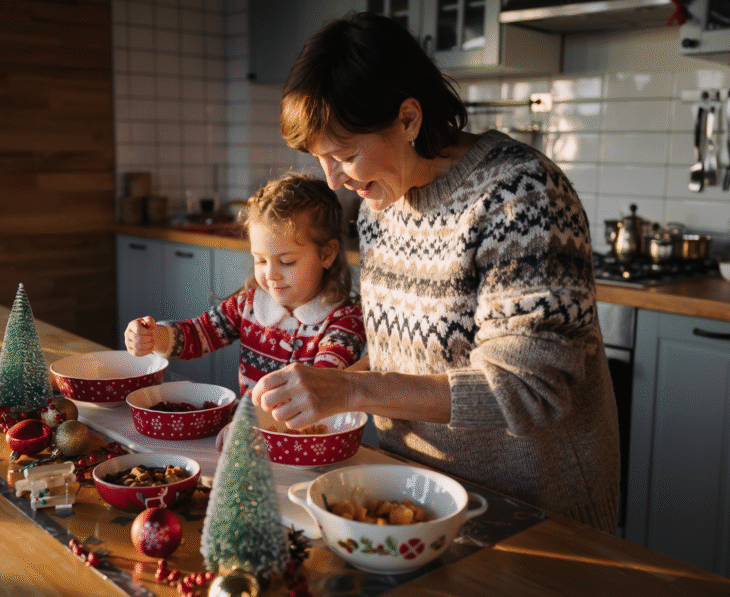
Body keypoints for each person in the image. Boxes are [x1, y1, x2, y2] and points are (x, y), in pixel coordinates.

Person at [251, 12, 621, 533]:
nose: (332, 179)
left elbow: (526, 388)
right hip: (417, 499)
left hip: (529, 512)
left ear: (407, 119)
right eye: (320, 159)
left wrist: (351, 392)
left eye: (346, 154)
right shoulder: (380, 205)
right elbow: (398, 356)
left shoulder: (520, 194)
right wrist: (312, 392)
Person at [124, 173, 366, 405]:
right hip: (249, 436)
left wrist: (253, 423)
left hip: (306, 443)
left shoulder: (344, 323)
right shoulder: (248, 305)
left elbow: (319, 386)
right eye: (260, 260)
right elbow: (198, 334)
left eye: (287, 261)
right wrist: (153, 337)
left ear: (327, 254)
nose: (271, 274)